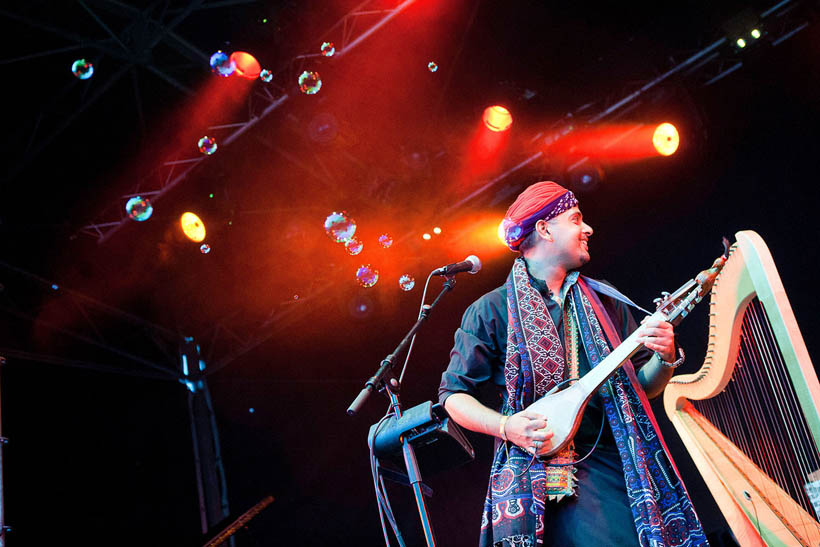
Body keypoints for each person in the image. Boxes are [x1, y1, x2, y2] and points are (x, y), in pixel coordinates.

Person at [438, 181, 707, 547]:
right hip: (539, 472)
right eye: (576, 219)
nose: (588, 228)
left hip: (622, 464)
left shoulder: (604, 300)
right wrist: (506, 426)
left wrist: (665, 357)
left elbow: (642, 387)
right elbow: (454, 397)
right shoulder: (491, 310)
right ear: (544, 229)